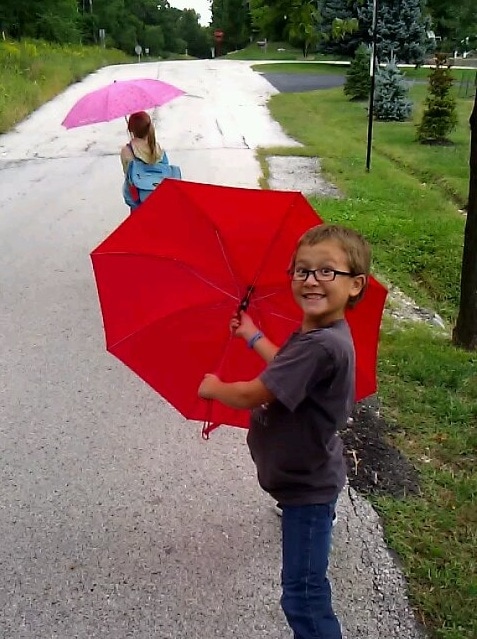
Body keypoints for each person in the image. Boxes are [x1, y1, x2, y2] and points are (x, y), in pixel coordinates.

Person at [198, 223, 370, 639]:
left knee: (303, 595)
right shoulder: (319, 332)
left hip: (306, 488)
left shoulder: (321, 345)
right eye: (301, 271)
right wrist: (251, 334)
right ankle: (320, 517)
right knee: (305, 578)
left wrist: (215, 388)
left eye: (327, 271)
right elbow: (283, 368)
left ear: (355, 285)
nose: (311, 280)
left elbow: (257, 391)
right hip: (308, 471)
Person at [120, 110, 166, 175]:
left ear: (130, 129)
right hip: (159, 184)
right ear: (149, 127)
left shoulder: (127, 150)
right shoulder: (157, 148)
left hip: (138, 184)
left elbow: (127, 173)